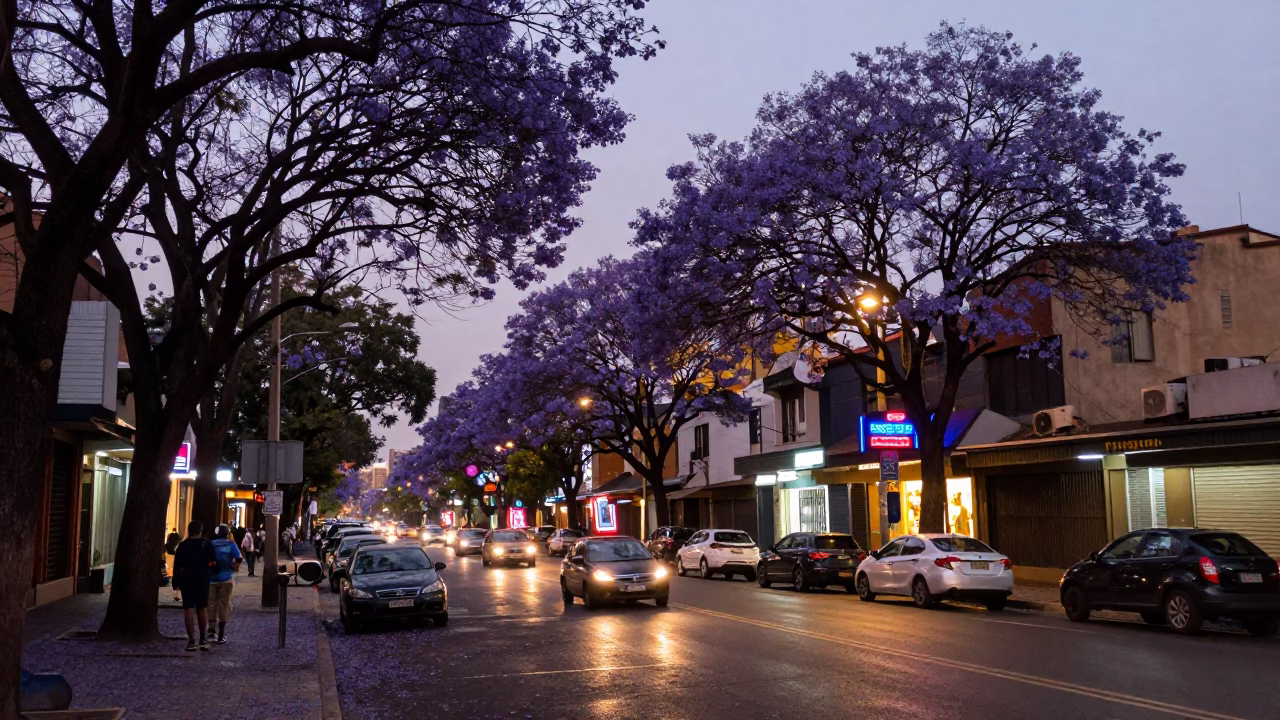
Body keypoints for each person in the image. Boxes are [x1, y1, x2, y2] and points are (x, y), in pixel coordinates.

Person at [171, 520, 216, 651]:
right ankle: (203, 639)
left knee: (188, 609)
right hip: (203, 578)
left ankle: (191, 641)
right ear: (200, 531)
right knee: (202, 608)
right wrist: (212, 571)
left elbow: (177, 566)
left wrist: (176, 582)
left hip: (187, 579)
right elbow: (213, 562)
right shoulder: (207, 544)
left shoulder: (183, 545)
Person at [208, 524, 242, 644]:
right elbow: (238, 558)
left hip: (211, 579)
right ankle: (221, 633)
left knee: (211, 603)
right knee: (224, 604)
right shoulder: (231, 544)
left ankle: (211, 631)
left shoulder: (211, 544)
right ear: (227, 533)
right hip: (226, 579)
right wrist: (233, 566)